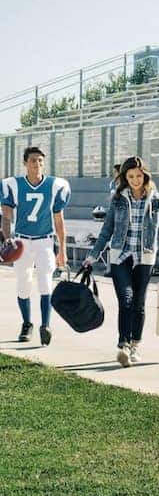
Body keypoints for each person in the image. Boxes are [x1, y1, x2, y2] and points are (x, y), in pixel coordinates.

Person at [84, 156, 159, 368]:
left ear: (145, 176)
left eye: (138, 176)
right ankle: (123, 345)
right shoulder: (118, 198)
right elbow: (107, 230)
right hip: (120, 256)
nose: (135, 180)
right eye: (130, 177)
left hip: (144, 257)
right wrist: (93, 255)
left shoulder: (156, 200)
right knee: (126, 300)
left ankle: (135, 345)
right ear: (125, 177)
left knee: (138, 303)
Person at [1, 146, 71, 346]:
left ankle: (45, 326)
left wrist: (63, 249)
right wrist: (6, 239)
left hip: (45, 241)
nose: (37, 164)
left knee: (45, 283)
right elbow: (6, 215)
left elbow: (59, 220)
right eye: (33, 160)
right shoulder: (13, 185)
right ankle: (27, 324)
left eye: (40, 160)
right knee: (23, 285)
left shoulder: (55, 185)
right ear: (25, 163)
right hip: (22, 241)